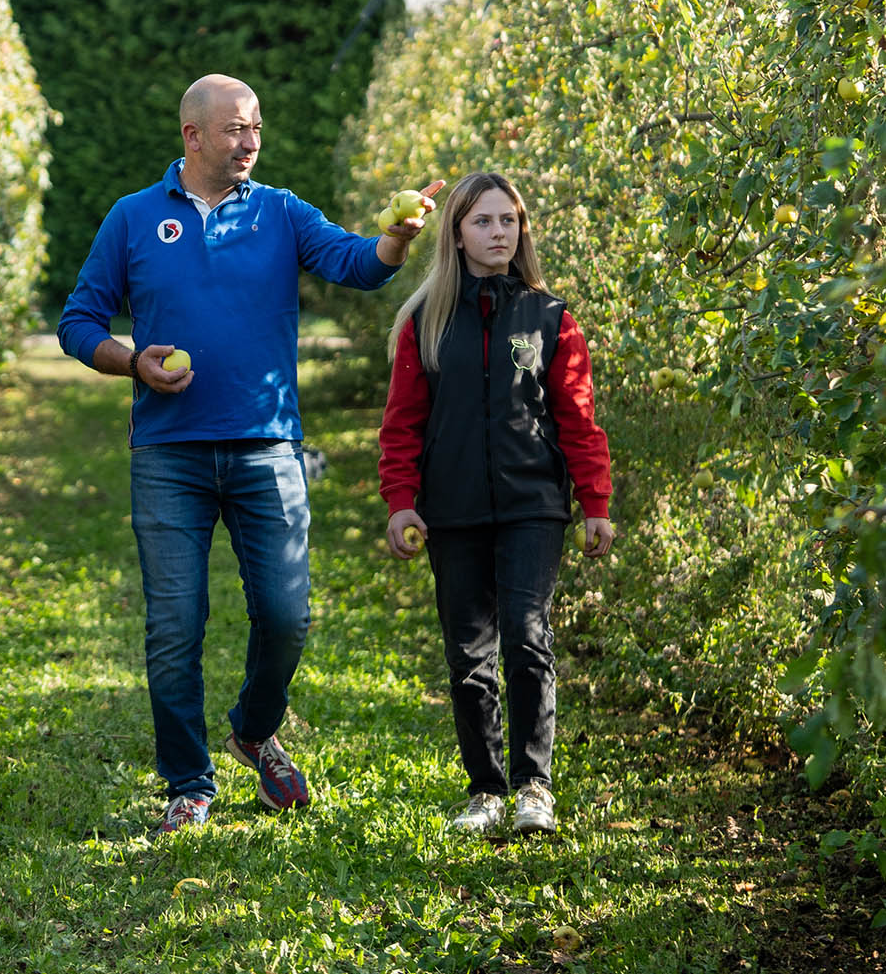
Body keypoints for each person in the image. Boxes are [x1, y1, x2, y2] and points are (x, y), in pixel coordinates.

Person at [57, 73, 440, 833]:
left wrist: (397, 236)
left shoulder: (281, 210)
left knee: (286, 613)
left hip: (269, 443)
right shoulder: (133, 218)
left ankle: (254, 728)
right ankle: (188, 780)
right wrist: (133, 362)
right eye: (236, 127)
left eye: (257, 126)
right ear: (192, 135)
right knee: (176, 624)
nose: (251, 140)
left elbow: (357, 263)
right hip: (170, 453)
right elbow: (78, 321)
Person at [376, 170, 614, 837]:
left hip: (533, 504)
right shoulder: (424, 321)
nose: (498, 232)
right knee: (468, 653)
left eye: (508, 220)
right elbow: (401, 425)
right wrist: (402, 501)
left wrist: (594, 499)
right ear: (457, 232)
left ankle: (534, 786)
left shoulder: (550, 317)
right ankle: (486, 792)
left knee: (527, 638)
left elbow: (577, 418)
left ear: (522, 230)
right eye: (483, 221)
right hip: (450, 511)